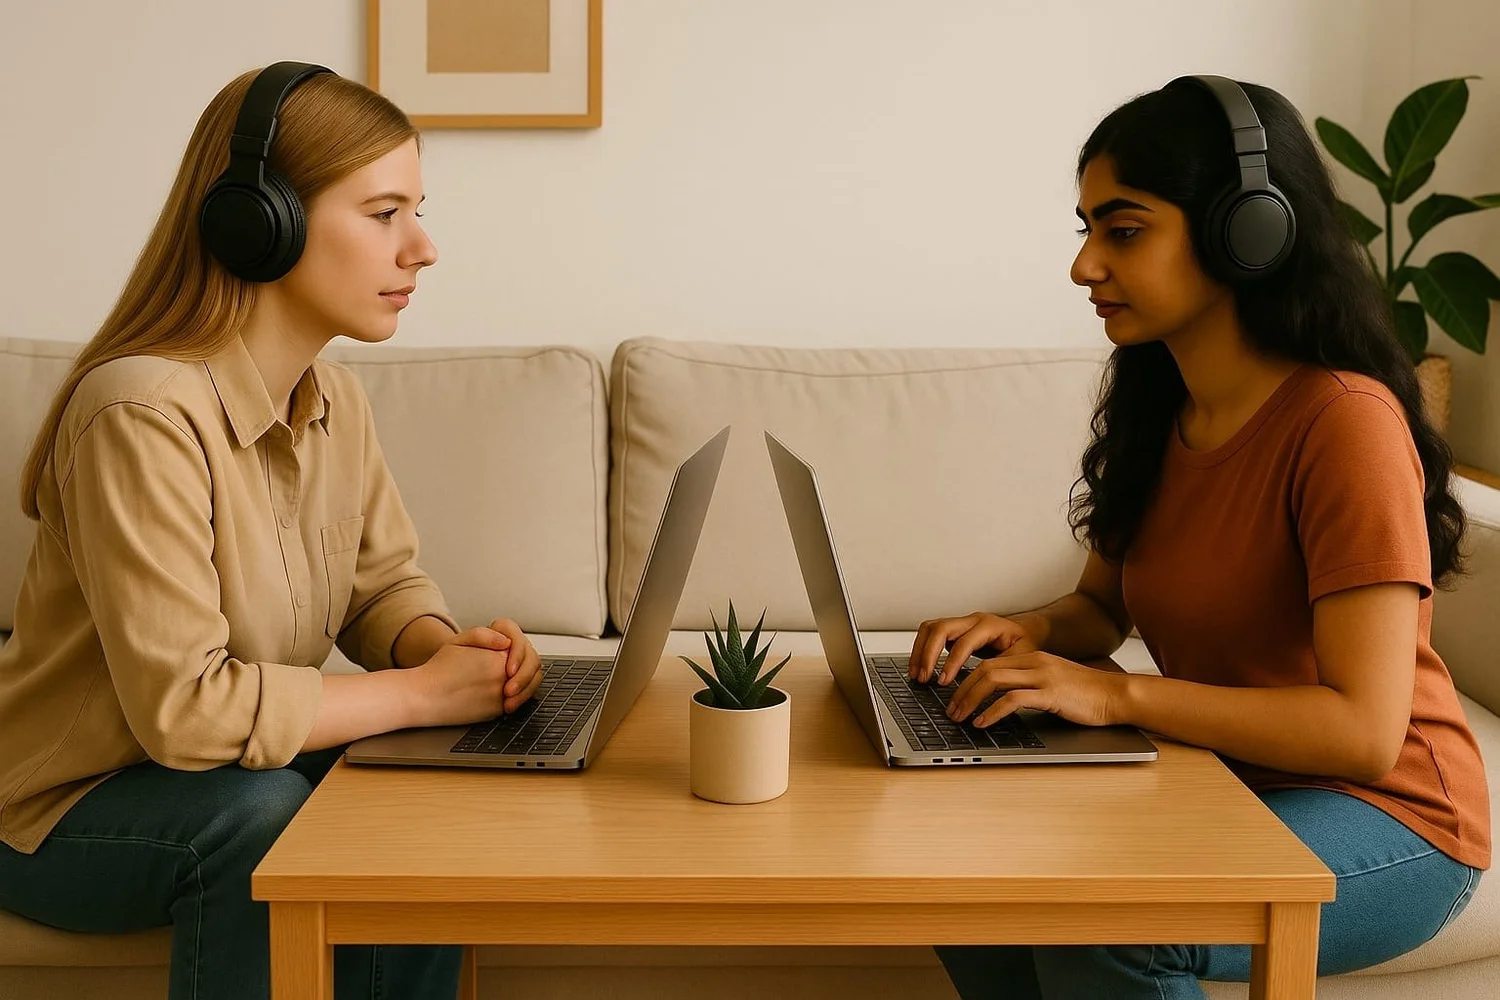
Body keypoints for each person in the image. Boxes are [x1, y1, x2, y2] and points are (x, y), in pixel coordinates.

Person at [910, 76, 1489, 999]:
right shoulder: (1157, 404)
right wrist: (1025, 635)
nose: (1084, 266)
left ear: (1246, 231)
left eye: (1124, 230)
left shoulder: (1344, 424)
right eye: (1086, 230)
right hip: (1225, 783)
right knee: (967, 887)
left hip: (1390, 816)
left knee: (1108, 922)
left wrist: (1117, 699)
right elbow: (1101, 606)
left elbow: (1363, 732)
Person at [0, 62, 544, 1000]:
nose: (422, 248)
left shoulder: (334, 396)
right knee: (261, 813)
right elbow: (190, 712)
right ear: (259, 222)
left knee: (423, 784)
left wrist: (450, 655)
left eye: (417, 210)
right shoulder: (141, 412)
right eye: (383, 214)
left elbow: (380, 589)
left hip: (209, 773)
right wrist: (419, 694)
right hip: (59, 812)